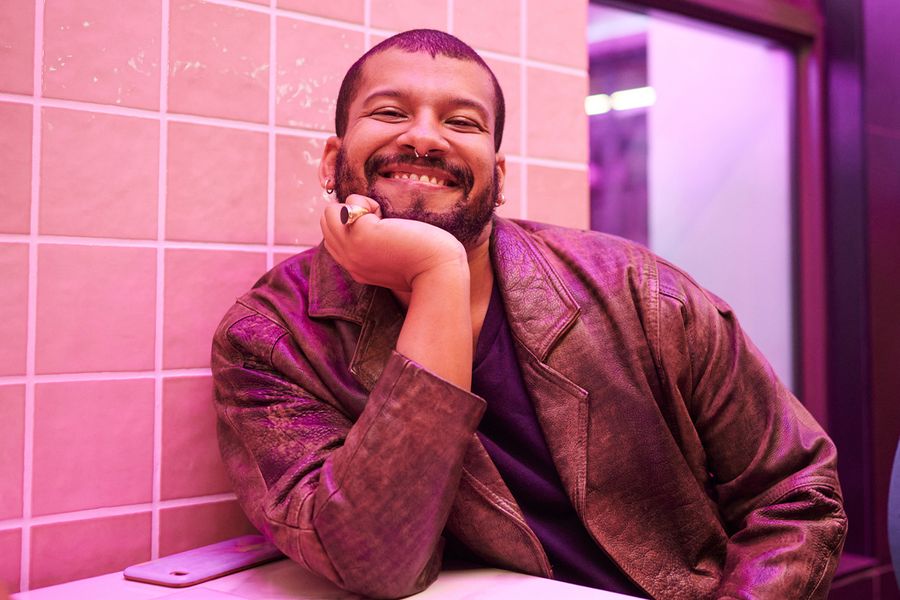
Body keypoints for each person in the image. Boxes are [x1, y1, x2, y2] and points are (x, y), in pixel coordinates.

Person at [211, 29, 846, 599]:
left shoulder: (637, 289)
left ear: (499, 174)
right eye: (389, 112)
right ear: (331, 160)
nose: (425, 136)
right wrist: (436, 275)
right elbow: (375, 562)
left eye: (461, 122)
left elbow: (796, 492)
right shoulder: (270, 339)